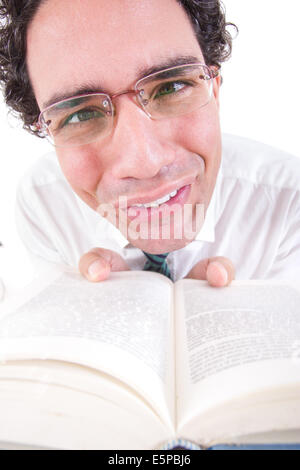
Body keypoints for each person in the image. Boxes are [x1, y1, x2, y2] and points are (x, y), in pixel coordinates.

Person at [0, 0, 299, 287]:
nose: (145, 163)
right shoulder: (43, 205)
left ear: (215, 91)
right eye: (80, 115)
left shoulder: (289, 205)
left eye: (171, 87)